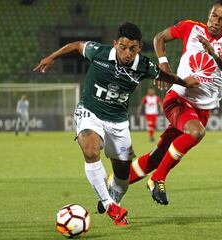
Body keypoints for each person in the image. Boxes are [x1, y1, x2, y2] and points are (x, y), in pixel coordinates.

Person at [33, 22, 199, 225]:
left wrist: (183, 82)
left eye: (132, 48)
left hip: (118, 122)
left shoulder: (144, 66)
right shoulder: (99, 52)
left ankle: (114, 199)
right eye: (122, 47)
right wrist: (51, 57)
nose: (127, 53)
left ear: (139, 47)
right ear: (115, 44)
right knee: (90, 149)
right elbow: (76, 45)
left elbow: (163, 75)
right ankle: (110, 205)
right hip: (90, 112)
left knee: (122, 173)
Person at [127, 0, 222, 205]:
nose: (215, 22)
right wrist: (164, 63)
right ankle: (157, 179)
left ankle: (113, 185)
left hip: (202, 109)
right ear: (209, 14)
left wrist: (213, 52)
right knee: (195, 133)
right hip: (178, 99)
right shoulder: (190, 27)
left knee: (158, 156)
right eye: (213, 16)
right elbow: (159, 38)